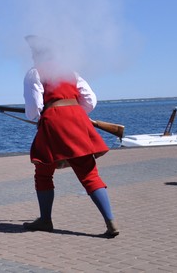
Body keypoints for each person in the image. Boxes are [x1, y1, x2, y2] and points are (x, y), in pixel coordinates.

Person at [21, 35, 119, 238]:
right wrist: (73, 112)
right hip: (78, 121)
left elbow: (33, 108)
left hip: (53, 124)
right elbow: (90, 101)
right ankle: (110, 222)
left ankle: (46, 220)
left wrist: (44, 116)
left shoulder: (34, 73)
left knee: (43, 173)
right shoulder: (71, 72)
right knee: (89, 174)